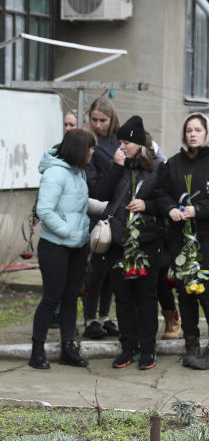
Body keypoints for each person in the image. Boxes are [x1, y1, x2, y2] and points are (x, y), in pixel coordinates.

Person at [157, 113, 209, 370]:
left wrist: (200, 210)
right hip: (179, 237)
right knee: (184, 291)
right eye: (189, 130)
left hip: (208, 237)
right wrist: (170, 208)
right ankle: (191, 344)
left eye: (198, 130)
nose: (193, 134)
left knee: (205, 289)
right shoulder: (173, 164)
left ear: (207, 133)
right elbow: (160, 192)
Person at [92, 116, 165, 370]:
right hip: (118, 243)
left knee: (146, 297)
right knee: (122, 298)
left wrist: (147, 205)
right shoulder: (119, 166)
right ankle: (128, 348)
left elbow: (165, 203)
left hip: (146, 243)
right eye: (120, 141)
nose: (121, 146)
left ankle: (148, 349)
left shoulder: (157, 168)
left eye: (126, 142)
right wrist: (116, 168)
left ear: (139, 144)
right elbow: (100, 194)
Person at [29, 129, 96, 370]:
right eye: (90, 147)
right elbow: (44, 211)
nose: (92, 151)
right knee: (51, 298)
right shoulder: (55, 173)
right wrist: (69, 231)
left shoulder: (78, 173)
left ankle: (68, 347)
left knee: (70, 298)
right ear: (79, 149)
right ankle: (37, 350)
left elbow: (78, 205)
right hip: (55, 247)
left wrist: (109, 208)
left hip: (77, 246)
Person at [83, 97, 121, 340]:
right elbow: (92, 183)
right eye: (94, 120)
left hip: (119, 210)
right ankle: (89, 319)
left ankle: (105, 317)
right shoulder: (89, 142)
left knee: (111, 269)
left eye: (102, 120)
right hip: (99, 209)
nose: (98, 125)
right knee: (97, 269)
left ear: (111, 119)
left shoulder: (120, 139)